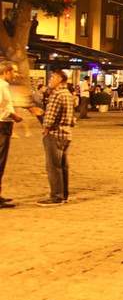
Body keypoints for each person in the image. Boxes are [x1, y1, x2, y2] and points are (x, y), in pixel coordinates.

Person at [38, 70, 76, 206]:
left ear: (59, 79)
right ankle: (63, 194)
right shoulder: (68, 94)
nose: (49, 80)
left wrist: (46, 130)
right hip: (66, 133)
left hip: (55, 133)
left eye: (52, 78)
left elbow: (50, 116)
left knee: (53, 166)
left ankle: (56, 196)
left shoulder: (57, 94)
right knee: (62, 166)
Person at [0, 61, 26, 207]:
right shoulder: (1, 86)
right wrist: (13, 116)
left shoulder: (5, 86)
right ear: (7, 71)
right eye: (14, 72)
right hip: (2, 124)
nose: (16, 75)